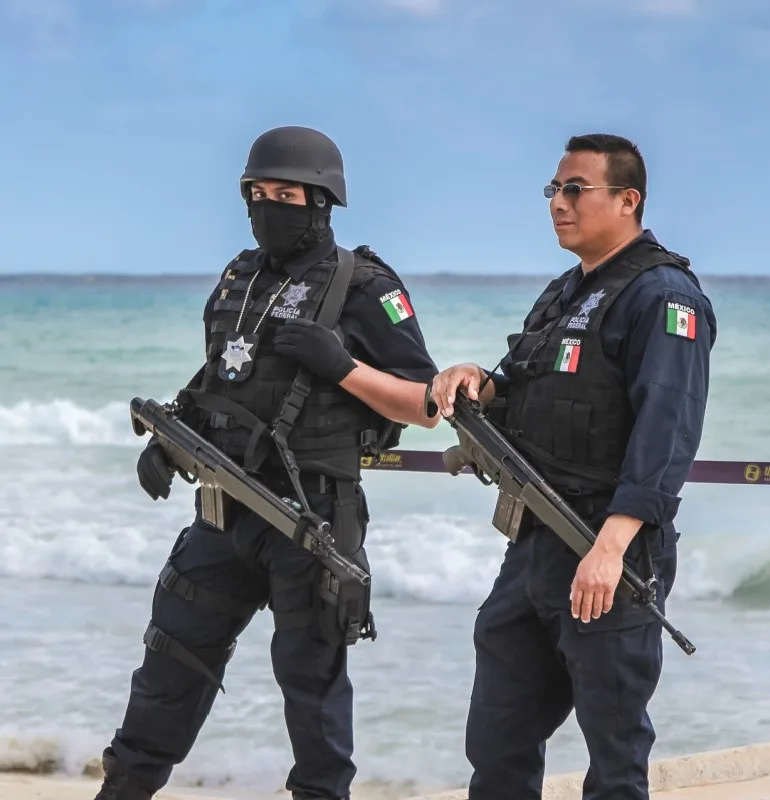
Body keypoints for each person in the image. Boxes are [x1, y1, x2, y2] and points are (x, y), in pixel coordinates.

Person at [94, 125, 439, 800]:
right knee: (170, 662)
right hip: (222, 513)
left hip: (310, 518)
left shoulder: (364, 287)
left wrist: (340, 366)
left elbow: (424, 405)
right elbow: (222, 380)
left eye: (286, 193)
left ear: (322, 202)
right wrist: (168, 440)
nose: (268, 206)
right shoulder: (237, 278)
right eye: (258, 192)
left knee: (311, 690)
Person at [429, 133, 717, 800]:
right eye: (553, 191)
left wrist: (611, 549)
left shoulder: (665, 297)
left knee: (613, 754)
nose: (558, 203)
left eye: (574, 189)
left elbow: (666, 434)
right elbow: (523, 382)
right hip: (535, 542)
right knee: (497, 741)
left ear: (627, 200)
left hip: (604, 548)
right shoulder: (567, 292)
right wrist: (477, 377)